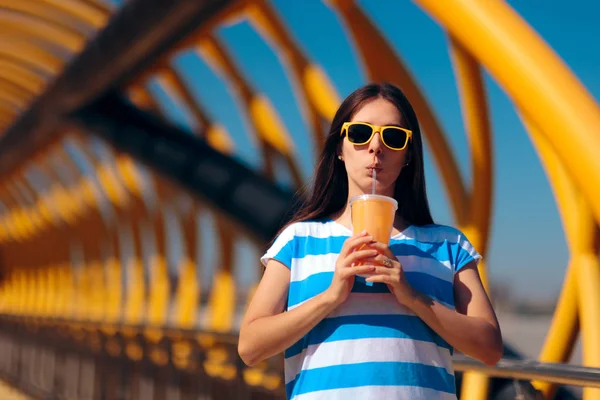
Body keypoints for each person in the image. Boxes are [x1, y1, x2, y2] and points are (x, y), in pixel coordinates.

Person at [238, 82, 502, 400]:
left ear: (407, 155)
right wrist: (330, 297)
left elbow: (490, 349)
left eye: (393, 137)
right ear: (339, 147)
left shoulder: (447, 245)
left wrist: (412, 296)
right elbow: (250, 348)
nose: (376, 148)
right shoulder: (299, 239)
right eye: (361, 133)